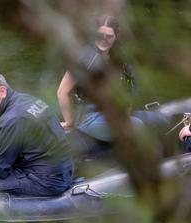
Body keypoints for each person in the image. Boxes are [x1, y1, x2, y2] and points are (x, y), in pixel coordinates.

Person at [56, 15, 169, 155]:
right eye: (100, 35)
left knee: (162, 120)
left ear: (116, 36)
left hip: (117, 113)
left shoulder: (120, 57)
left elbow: (129, 84)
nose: (103, 39)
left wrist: (128, 106)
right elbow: (62, 92)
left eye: (109, 36)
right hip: (91, 117)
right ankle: (150, 166)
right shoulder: (84, 58)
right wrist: (69, 122)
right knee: (137, 126)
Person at [0, 69, 74, 196]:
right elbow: (15, 134)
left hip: (46, 182)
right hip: (64, 171)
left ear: (2, 91)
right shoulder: (27, 100)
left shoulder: (12, 119)